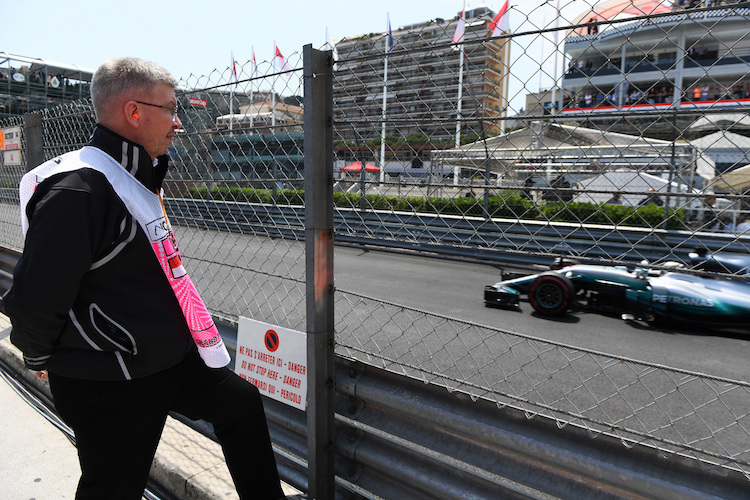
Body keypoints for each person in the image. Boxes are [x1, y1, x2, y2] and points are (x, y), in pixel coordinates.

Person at [3, 58, 284, 500]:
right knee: (113, 488)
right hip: (111, 375)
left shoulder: (136, 174)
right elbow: (35, 297)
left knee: (240, 405)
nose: (178, 123)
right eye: (171, 110)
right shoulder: (79, 191)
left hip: (165, 357)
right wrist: (41, 357)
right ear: (134, 113)